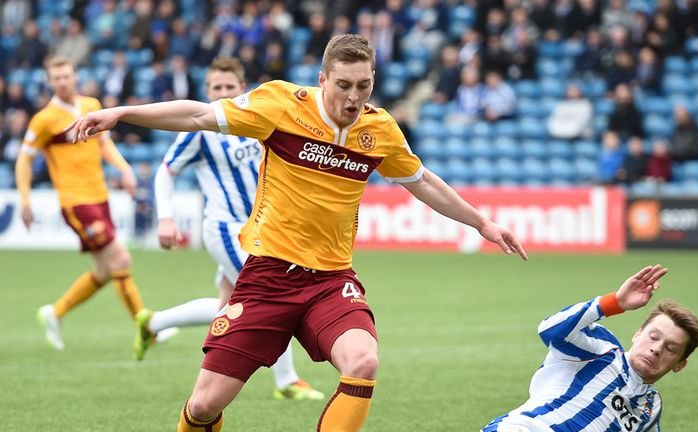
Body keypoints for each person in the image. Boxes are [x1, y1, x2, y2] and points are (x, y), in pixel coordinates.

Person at [67, 34, 527, 431]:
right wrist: (122, 113)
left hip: (330, 281)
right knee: (205, 406)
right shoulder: (283, 105)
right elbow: (199, 117)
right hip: (267, 277)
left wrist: (482, 223)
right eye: (343, 85)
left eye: (363, 86)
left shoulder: (380, 129)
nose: (352, 97)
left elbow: (422, 180)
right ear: (322, 79)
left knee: (363, 360)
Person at [136, 57, 324, 401]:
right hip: (226, 228)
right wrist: (166, 217)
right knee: (272, 294)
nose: (222, 93)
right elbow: (166, 170)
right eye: (216, 88)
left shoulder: (258, 119)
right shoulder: (202, 130)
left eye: (229, 87)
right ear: (207, 92)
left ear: (242, 89)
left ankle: (153, 323)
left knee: (228, 305)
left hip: (264, 226)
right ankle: (287, 382)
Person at [15, 57, 147, 351]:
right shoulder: (44, 119)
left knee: (103, 271)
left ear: (76, 76)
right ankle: (146, 325)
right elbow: (24, 159)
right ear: (50, 82)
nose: (62, 81)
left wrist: (125, 169)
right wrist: (25, 200)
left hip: (100, 196)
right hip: (76, 202)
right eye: (56, 78)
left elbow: (104, 144)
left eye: (66, 76)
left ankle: (55, 312)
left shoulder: (92, 105)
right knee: (121, 260)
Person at [482, 264, 698, 432]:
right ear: (638, 333)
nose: (656, 349)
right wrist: (615, 302)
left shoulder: (650, 407)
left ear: (679, 364)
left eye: (670, 349)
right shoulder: (601, 348)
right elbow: (549, 330)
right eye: (653, 337)